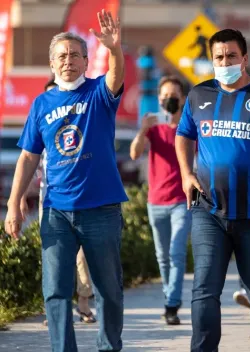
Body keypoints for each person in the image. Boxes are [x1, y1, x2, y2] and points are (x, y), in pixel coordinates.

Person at [5, 10, 127, 352]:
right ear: (51, 63)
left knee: (109, 289)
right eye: (61, 56)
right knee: (55, 291)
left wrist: (115, 50)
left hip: (101, 210)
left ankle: (108, 347)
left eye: (75, 54)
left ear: (87, 60)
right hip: (56, 212)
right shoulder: (41, 104)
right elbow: (28, 157)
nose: (68, 60)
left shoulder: (98, 94)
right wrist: (15, 204)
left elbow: (116, 77)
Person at [175, 29, 250, 352]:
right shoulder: (198, 95)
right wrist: (186, 174)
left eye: (231, 56)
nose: (224, 62)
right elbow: (183, 135)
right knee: (204, 289)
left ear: (244, 59)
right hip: (208, 211)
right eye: (218, 57)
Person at [20, 79, 97, 327]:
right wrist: (20, 196)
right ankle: (53, 307)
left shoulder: (78, 126)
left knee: (82, 255)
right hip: (49, 200)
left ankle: (83, 301)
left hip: (82, 199)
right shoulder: (40, 120)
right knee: (53, 256)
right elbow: (28, 162)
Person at [130, 75, 191, 325]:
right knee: (162, 256)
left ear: (183, 99)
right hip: (156, 201)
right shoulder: (154, 129)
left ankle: (172, 303)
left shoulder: (189, 128)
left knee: (176, 253)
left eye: (173, 97)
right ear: (159, 99)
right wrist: (143, 130)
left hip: (181, 201)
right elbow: (134, 154)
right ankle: (169, 295)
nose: (169, 101)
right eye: (164, 97)